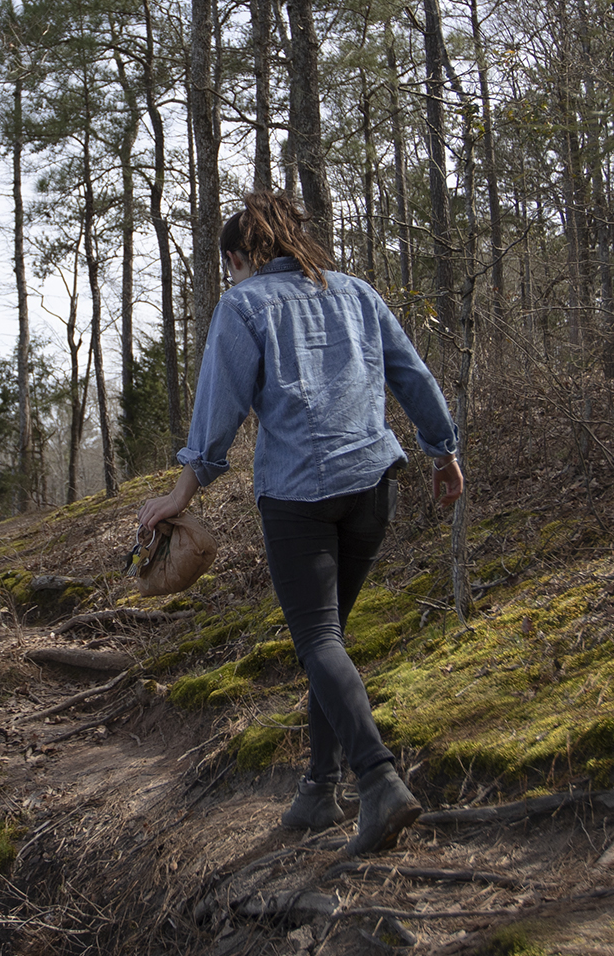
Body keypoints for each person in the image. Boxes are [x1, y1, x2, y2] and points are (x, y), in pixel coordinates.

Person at [137, 189, 464, 857]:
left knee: (317, 637)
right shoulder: (357, 292)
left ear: (237, 256)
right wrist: (443, 451)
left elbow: (218, 414)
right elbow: (413, 374)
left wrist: (179, 494)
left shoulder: (243, 303)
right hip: (374, 486)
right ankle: (319, 787)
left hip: (300, 497)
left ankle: (378, 780)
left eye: (229, 264)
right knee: (329, 638)